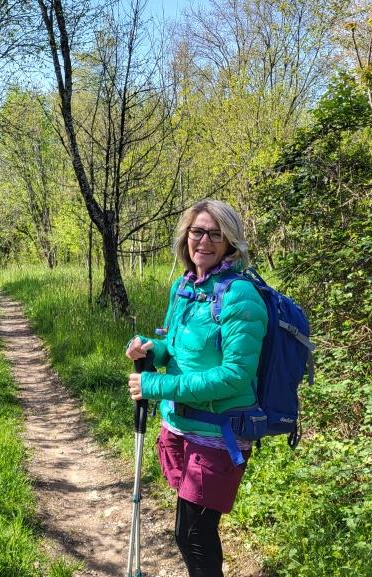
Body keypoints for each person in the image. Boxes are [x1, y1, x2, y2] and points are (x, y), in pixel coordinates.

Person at [126, 199, 268, 577]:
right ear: (185, 236)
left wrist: (157, 384)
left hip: (218, 435)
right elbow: (174, 347)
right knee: (189, 534)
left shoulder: (240, 296)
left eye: (215, 234)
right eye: (197, 231)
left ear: (230, 242)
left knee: (194, 535)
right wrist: (151, 348)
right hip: (180, 427)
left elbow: (235, 375)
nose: (204, 241)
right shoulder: (184, 286)